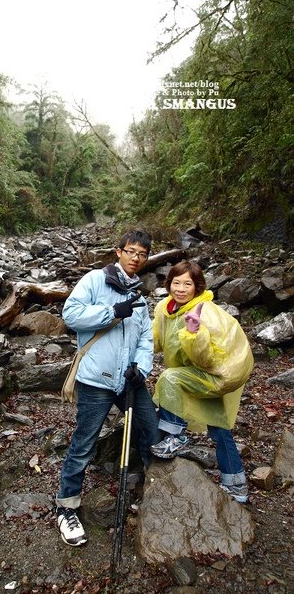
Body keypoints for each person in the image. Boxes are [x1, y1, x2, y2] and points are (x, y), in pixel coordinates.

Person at [56, 229, 161, 546]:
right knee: (84, 443)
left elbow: (145, 339)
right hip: (97, 380)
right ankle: (67, 508)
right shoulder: (93, 281)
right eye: (131, 251)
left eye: (142, 254)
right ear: (118, 252)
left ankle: (147, 489)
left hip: (129, 381)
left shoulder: (140, 296)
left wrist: (141, 368)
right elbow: (70, 315)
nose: (136, 258)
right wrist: (111, 312)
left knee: (152, 431)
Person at [150, 260, 254, 503]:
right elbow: (155, 341)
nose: (181, 288)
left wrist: (193, 334)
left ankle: (176, 437)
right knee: (219, 426)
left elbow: (206, 359)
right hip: (195, 374)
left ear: (197, 287)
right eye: (176, 282)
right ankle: (236, 484)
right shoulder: (165, 308)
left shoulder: (204, 312)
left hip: (218, 374)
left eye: (188, 284)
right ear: (169, 284)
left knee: (169, 378)